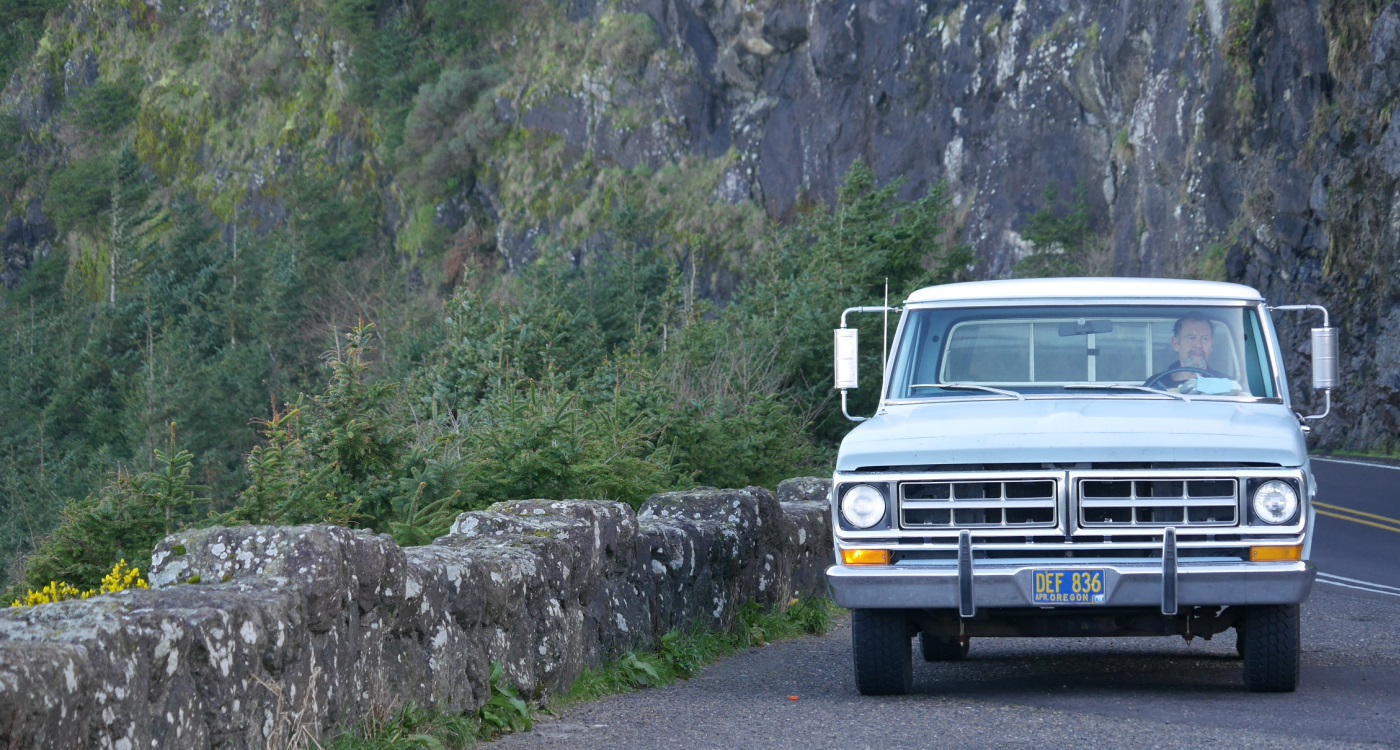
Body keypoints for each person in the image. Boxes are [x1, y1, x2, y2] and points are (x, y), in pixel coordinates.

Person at [1146, 312, 1227, 388]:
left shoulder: (1225, 385)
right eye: (1191, 338)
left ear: (1212, 345)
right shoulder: (1155, 385)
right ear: (1176, 344)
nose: (1198, 345)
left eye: (1205, 339)